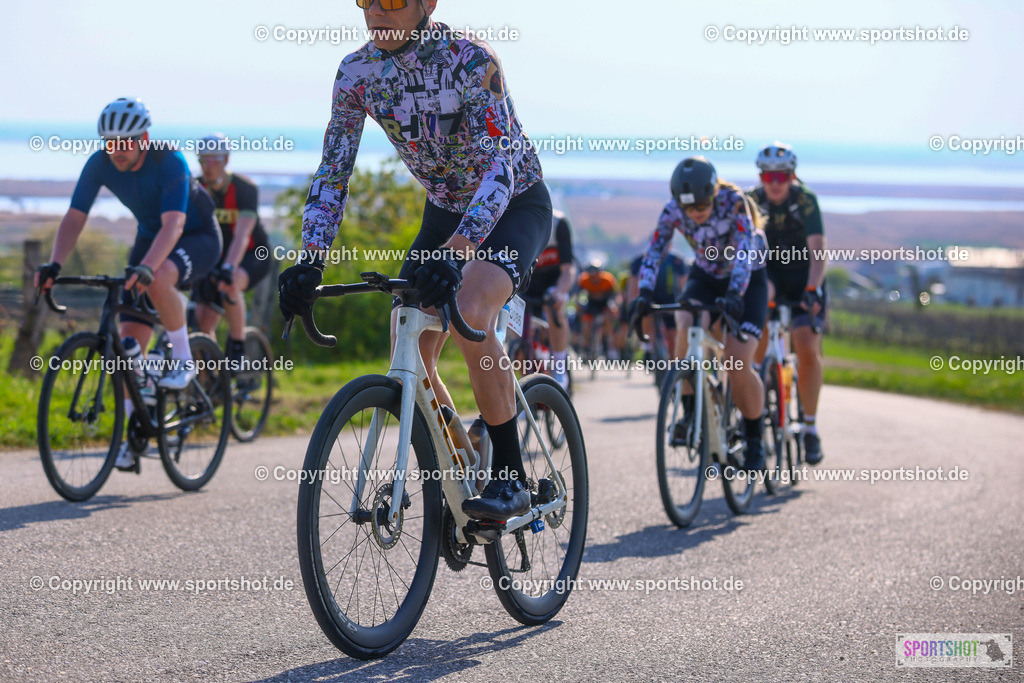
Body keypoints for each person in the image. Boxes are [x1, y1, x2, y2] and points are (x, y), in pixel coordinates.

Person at [277, 0, 551, 522]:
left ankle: (512, 476)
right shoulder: (357, 73)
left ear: (427, 3)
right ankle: (458, 460)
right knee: (408, 329)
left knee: (469, 309)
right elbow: (334, 171)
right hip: (445, 211)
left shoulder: (470, 59)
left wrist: (458, 252)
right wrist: (310, 260)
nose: (378, 9)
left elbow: (500, 167)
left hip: (513, 203)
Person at [35, 97, 221, 470]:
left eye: (124, 142)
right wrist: (54, 263)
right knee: (127, 345)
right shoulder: (100, 163)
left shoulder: (169, 160)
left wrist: (149, 268)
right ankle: (136, 429)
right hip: (151, 237)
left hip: (196, 238)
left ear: (144, 137)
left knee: (158, 277)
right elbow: (75, 217)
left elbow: (174, 225)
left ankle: (183, 359)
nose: (115, 150)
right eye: (109, 142)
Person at [629, 156, 770, 471]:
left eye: (702, 206)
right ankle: (691, 411)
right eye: (688, 208)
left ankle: (755, 439)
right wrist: (645, 294)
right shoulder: (673, 210)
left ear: (714, 192)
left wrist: (735, 293)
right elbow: (655, 250)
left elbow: (746, 251)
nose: (694, 213)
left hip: (747, 281)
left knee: (736, 360)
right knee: (684, 321)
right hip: (705, 277)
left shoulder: (734, 203)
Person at [748, 142, 827, 464]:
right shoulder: (752, 200)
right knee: (755, 329)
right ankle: (759, 386)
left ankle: (809, 427)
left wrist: (813, 288)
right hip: (769, 277)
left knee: (806, 345)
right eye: (769, 177)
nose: (776, 183)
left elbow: (818, 250)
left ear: (793, 175)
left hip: (803, 277)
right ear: (761, 177)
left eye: (783, 176)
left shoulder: (805, 200)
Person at [193, 133, 272, 366]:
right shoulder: (196, 188)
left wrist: (228, 266)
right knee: (201, 321)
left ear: (226, 160)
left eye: (213, 161)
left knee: (231, 282)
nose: (207, 167)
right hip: (215, 256)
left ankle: (238, 346)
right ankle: (211, 376)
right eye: (202, 161)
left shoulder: (245, 188)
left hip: (252, 254)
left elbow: (242, 234)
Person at [520, 209, 576, 389]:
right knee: (517, 330)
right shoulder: (515, 220)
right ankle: (527, 386)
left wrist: (560, 291)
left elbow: (568, 269)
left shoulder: (559, 223)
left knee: (555, 308)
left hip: (554, 279)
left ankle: (559, 367)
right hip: (529, 282)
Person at [627, 250, 687, 364]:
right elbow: (633, 282)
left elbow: (683, 281)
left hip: (670, 299)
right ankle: (648, 345)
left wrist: (685, 300)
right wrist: (631, 302)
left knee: (673, 336)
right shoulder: (640, 260)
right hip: (650, 297)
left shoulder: (676, 260)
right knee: (645, 314)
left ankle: (673, 367)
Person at [577, 260, 618, 360]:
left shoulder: (608, 279)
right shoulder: (584, 280)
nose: (594, 279)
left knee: (608, 318)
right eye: (592, 276)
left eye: (596, 275)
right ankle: (586, 348)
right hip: (591, 303)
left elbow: (614, 295)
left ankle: (608, 343)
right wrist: (578, 304)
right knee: (586, 323)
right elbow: (578, 295)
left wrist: (613, 306)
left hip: (604, 303)